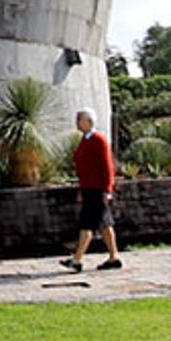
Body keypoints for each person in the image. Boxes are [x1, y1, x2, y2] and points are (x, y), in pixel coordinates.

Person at [60, 107, 122, 272]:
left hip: (97, 189)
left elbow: (107, 167)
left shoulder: (98, 140)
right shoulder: (85, 140)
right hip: (89, 188)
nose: (77, 122)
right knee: (104, 224)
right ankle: (113, 256)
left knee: (87, 224)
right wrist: (82, 189)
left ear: (88, 121)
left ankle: (77, 259)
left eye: (79, 119)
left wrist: (108, 190)